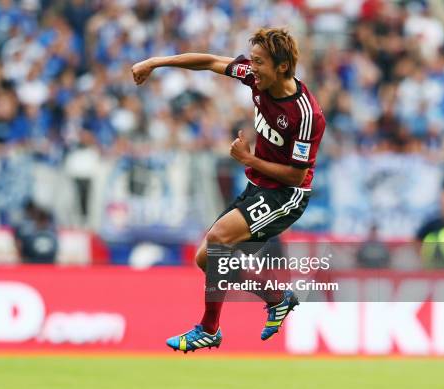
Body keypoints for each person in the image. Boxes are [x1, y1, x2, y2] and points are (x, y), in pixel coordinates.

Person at [132, 28, 326, 352]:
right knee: (207, 259)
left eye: (260, 62)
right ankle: (277, 298)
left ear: (281, 66)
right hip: (258, 186)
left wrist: (248, 158)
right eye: (252, 60)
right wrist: (155, 62)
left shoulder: (306, 115)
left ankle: (209, 329)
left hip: (287, 196)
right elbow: (208, 61)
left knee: (219, 239)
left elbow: (296, 175)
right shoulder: (255, 77)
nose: (252, 67)